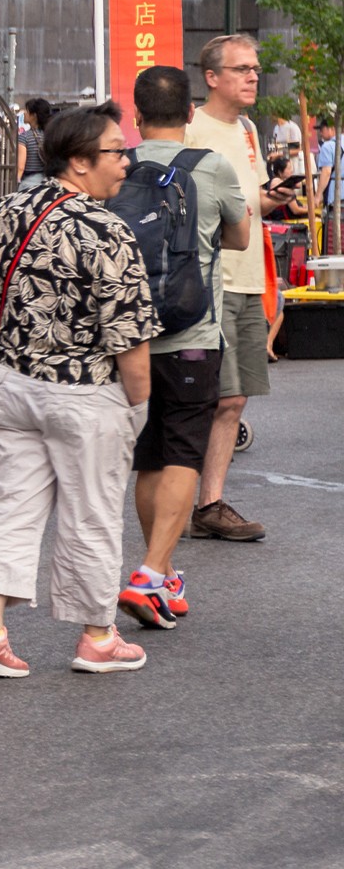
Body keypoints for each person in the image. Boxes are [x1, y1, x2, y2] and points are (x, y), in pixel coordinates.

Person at [0, 105, 159, 679]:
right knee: (91, 514)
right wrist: (137, 404)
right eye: (116, 152)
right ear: (79, 161)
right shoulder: (105, 229)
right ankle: (97, 636)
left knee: (9, 507)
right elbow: (130, 337)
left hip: (9, 383)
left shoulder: (7, 210)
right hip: (84, 393)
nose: (126, 162)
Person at [119, 67, 249, 630]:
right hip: (192, 333)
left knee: (148, 454)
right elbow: (241, 237)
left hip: (130, 336)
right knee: (183, 453)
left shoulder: (116, 165)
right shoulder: (211, 167)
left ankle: (162, 573)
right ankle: (149, 573)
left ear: (136, 113)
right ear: (191, 112)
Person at [182, 34, 271, 542]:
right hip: (210, 279)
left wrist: (274, 198)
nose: (252, 76)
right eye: (241, 69)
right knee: (211, 399)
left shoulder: (249, 131)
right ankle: (193, 498)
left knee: (233, 401)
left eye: (255, 68)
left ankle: (208, 503)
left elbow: (251, 201)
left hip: (249, 276)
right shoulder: (193, 130)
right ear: (212, 77)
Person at [18, 97, 52, 187]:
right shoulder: (51, 135)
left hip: (29, 183)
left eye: (27, 110)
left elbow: (20, 167)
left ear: (34, 116)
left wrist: (16, 181)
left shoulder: (24, 137)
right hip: (48, 182)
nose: (24, 113)